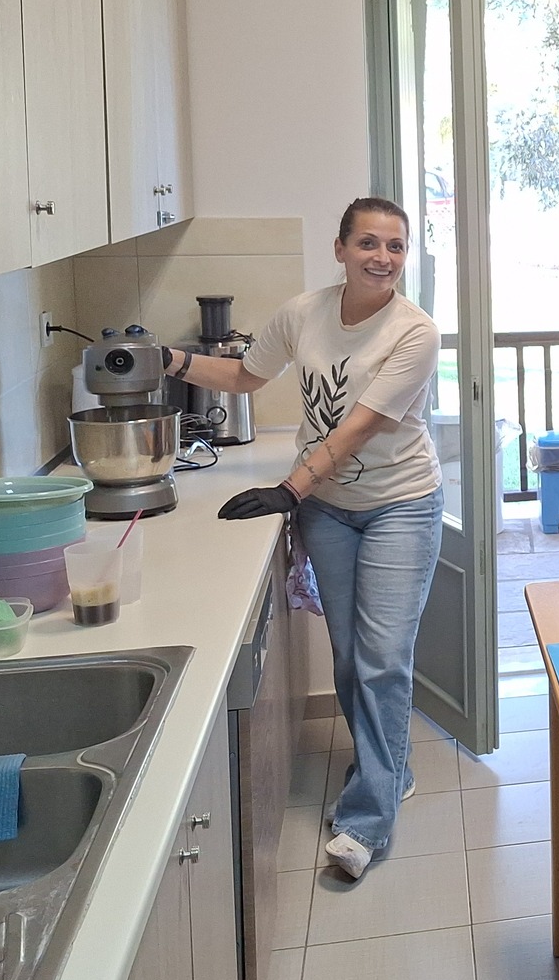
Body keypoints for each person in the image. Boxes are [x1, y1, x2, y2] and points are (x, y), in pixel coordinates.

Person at [175, 196, 441, 883]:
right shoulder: (303, 314)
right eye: (369, 243)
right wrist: (172, 362)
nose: (382, 257)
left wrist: (292, 487)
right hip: (330, 509)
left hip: (400, 505)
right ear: (340, 248)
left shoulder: (415, 332)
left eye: (396, 246)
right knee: (351, 657)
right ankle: (392, 767)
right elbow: (244, 376)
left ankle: (366, 821)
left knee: (383, 658)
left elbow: (362, 425)